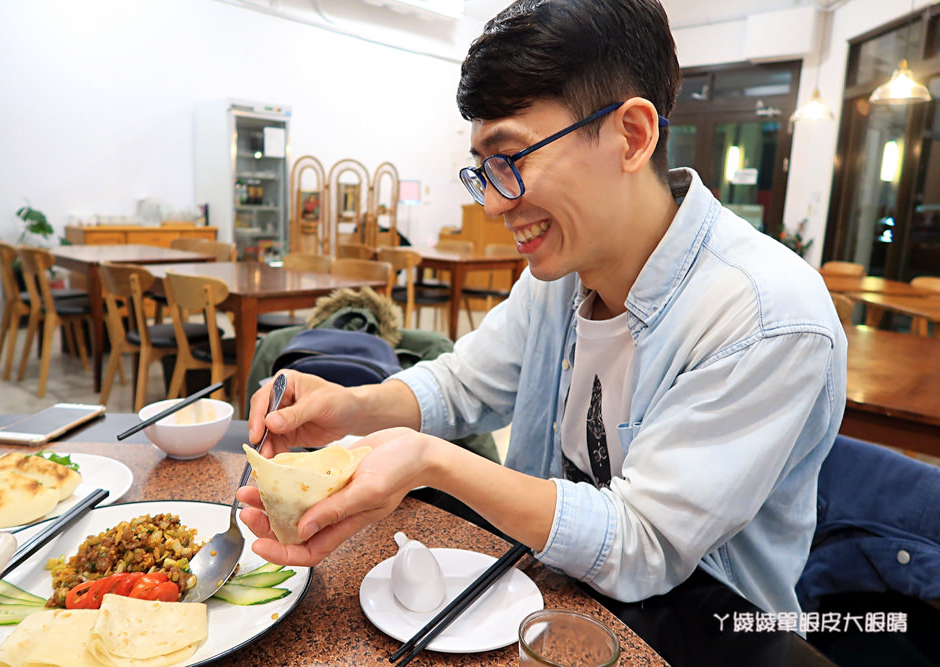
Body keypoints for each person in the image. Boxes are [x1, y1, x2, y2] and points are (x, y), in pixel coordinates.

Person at [239, 0, 846, 617]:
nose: (495, 205)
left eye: (512, 158)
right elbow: (462, 385)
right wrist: (353, 408)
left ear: (631, 136)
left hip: (696, 631)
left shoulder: (765, 315)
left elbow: (644, 543)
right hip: (546, 595)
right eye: (484, 170)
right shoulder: (559, 271)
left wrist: (430, 462)